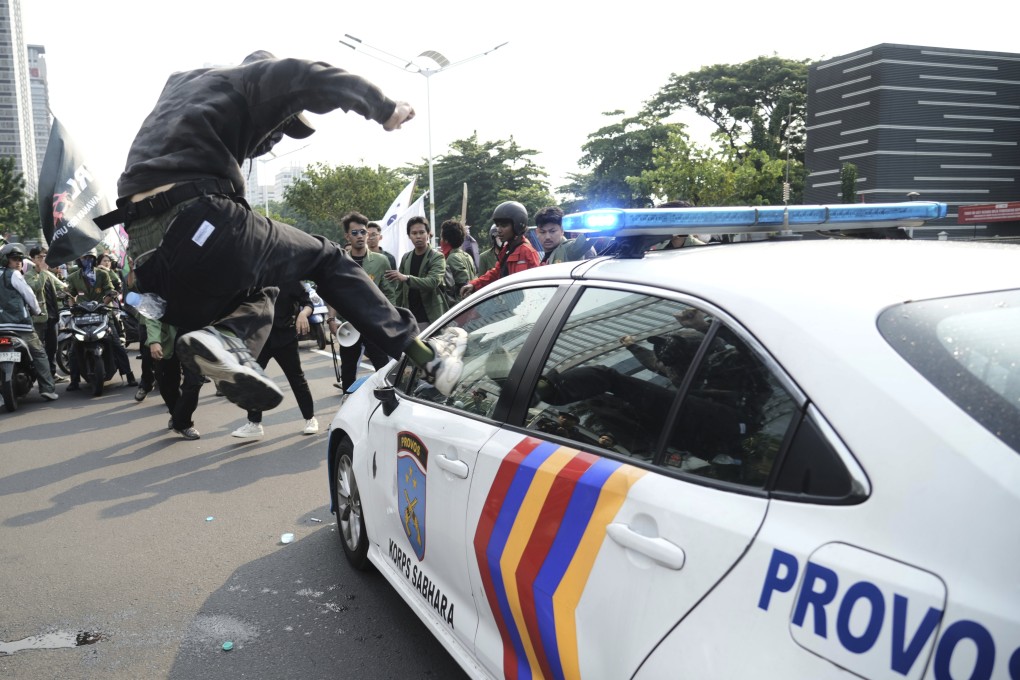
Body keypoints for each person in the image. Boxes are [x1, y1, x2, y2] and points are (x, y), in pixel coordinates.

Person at [93, 50, 466, 408]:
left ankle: (229, 336)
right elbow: (310, 77)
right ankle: (427, 357)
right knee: (326, 257)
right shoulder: (248, 78)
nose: (274, 139)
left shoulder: (178, 92)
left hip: (148, 266)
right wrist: (384, 108)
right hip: (201, 220)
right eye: (282, 127)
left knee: (266, 277)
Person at [232, 282, 319, 439]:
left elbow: (308, 303)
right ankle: (254, 424)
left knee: (296, 379)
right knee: (252, 379)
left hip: (285, 337)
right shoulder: (254, 279)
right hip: (259, 338)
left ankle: (310, 418)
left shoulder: (290, 278)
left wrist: (303, 314)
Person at [330, 213, 394, 396]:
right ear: (347, 236)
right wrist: (331, 319)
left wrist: (389, 319)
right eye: (355, 232)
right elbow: (333, 293)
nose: (360, 235)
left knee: (383, 367)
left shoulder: (381, 261)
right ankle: (347, 405)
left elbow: (389, 293)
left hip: (374, 324)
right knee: (348, 371)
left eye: (363, 232)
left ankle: (387, 405)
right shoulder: (340, 262)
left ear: (367, 234)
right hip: (348, 326)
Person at [64, 249, 137, 390]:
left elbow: (110, 290)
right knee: (73, 350)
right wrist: (72, 306)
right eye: (85, 258)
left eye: (91, 258)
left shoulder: (103, 274)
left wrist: (104, 303)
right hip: (81, 317)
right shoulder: (73, 277)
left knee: (117, 345)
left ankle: (129, 375)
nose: (88, 261)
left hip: (102, 314)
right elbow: (70, 295)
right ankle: (74, 381)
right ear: (79, 261)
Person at [0, 244, 58, 402]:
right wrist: (37, 310)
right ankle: (47, 389)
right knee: (39, 353)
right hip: (19, 326)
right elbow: (29, 294)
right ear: (6, 260)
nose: (18, 262)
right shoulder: (14, 274)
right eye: (14, 259)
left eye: (20, 259)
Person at [460, 201, 541, 297]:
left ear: (517, 225)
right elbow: (496, 273)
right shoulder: (507, 250)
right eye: (498, 225)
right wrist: (474, 285)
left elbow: (537, 285)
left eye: (504, 226)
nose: (498, 230)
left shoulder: (527, 252)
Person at [145, 317, 204, 440]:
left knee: (195, 381)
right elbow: (152, 314)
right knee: (167, 384)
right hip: (166, 341)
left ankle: (182, 423)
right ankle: (176, 414)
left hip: (194, 338)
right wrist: (154, 341)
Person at [386, 216, 448, 328]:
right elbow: (400, 290)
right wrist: (395, 311)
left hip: (430, 316)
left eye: (422, 232)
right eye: (414, 233)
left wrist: (407, 278)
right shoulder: (406, 257)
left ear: (428, 234)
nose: (418, 236)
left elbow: (433, 282)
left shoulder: (437, 257)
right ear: (409, 236)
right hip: (410, 316)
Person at [25, 246, 68, 382]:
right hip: (39, 318)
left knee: (52, 348)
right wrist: (44, 272)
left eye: (44, 257)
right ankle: (38, 376)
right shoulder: (28, 276)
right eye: (39, 257)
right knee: (38, 350)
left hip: (53, 316)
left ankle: (52, 374)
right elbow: (36, 287)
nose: (43, 260)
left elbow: (61, 288)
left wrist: (67, 289)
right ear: (32, 259)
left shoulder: (49, 274)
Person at [440, 219, 476, 297]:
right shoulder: (467, 255)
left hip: (461, 302)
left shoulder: (452, 257)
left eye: (442, 237)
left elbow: (463, 283)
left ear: (446, 240)